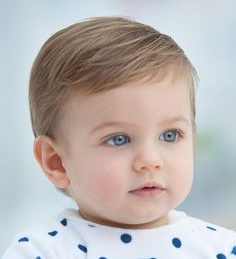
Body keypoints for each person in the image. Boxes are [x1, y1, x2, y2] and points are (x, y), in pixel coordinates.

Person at [3, 16, 236, 259]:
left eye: (170, 135)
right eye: (118, 139)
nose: (150, 161)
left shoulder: (222, 248)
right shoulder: (41, 252)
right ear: (57, 162)